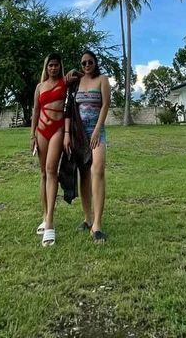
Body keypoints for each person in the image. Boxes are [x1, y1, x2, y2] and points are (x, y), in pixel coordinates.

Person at [64, 50, 111, 243]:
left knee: (97, 170)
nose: (87, 65)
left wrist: (97, 130)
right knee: (83, 174)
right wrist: (70, 74)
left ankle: (97, 225)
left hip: (96, 132)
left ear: (95, 62)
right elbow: (67, 102)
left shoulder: (102, 80)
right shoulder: (77, 81)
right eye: (83, 63)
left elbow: (106, 105)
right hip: (79, 134)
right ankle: (87, 218)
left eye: (90, 62)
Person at [31, 52, 68, 247]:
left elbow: (81, 75)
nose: (53, 68)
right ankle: (45, 216)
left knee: (52, 171)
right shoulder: (39, 87)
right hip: (41, 131)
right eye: (50, 65)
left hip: (58, 130)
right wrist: (32, 136)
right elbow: (35, 111)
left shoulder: (65, 81)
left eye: (56, 65)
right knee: (43, 174)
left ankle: (50, 224)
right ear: (46, 67)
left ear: (60, 66)